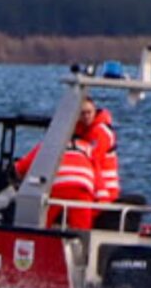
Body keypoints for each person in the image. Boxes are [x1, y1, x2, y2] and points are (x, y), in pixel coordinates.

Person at [14, 96, 107, 230]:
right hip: (83, 189)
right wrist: (98, 207)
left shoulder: (48, 146)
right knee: (82, 230)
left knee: (41, 223)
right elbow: (99, 183)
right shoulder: (87, 148)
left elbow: (20, 168)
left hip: (60, 187)